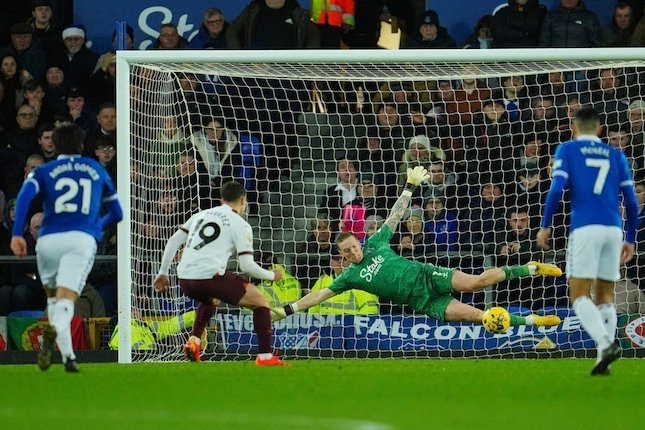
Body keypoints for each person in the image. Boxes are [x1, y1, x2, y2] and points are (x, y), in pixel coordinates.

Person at [272, 166, 563, 333]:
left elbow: (395, 217)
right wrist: (287, 310)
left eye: (352, 247)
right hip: (424, 303)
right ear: (343, 257)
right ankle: (534, 320)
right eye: (346, 253)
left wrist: (409, 186)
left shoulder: (375, 243)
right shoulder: (350, 277)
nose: (351, 253)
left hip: (428, 276)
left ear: (358, 242)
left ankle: (531, 268)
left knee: (477, 283)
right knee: (480, 316)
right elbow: (318, 295)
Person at [10, 123, 123, 372]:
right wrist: (95, 228)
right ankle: (52, 333)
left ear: (56, 146)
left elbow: (24, 197)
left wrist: (17, 233)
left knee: (53, 299)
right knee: (68, 298)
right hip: (78, 240)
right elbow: (117, 213)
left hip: (48, 241)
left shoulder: (45, 170)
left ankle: (68, 356)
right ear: (82, 146)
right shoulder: (95, 169)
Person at [536, 106, 639, 376]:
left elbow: (556, 188)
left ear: (573, 127)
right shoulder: (616, 154)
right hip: (614, 229)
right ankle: (600, 359)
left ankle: (606, 343)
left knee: (579, 294)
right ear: (600, 129)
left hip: (585, 228)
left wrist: (545, 225)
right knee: (605, 295)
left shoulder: (567, 150)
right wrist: (631, 237)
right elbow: (631, 200)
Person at [153, 181, 289, 366]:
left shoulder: (200, 215)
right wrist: (273, 275)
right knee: (260, 303)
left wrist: (162, 272)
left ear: (221, 200)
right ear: (242, 200)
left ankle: (194, 341)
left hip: (184, 278)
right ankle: (265, 356)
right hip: (209, 278)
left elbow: (173, 240)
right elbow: (247, 265)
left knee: (212, 299)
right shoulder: (240, 224)